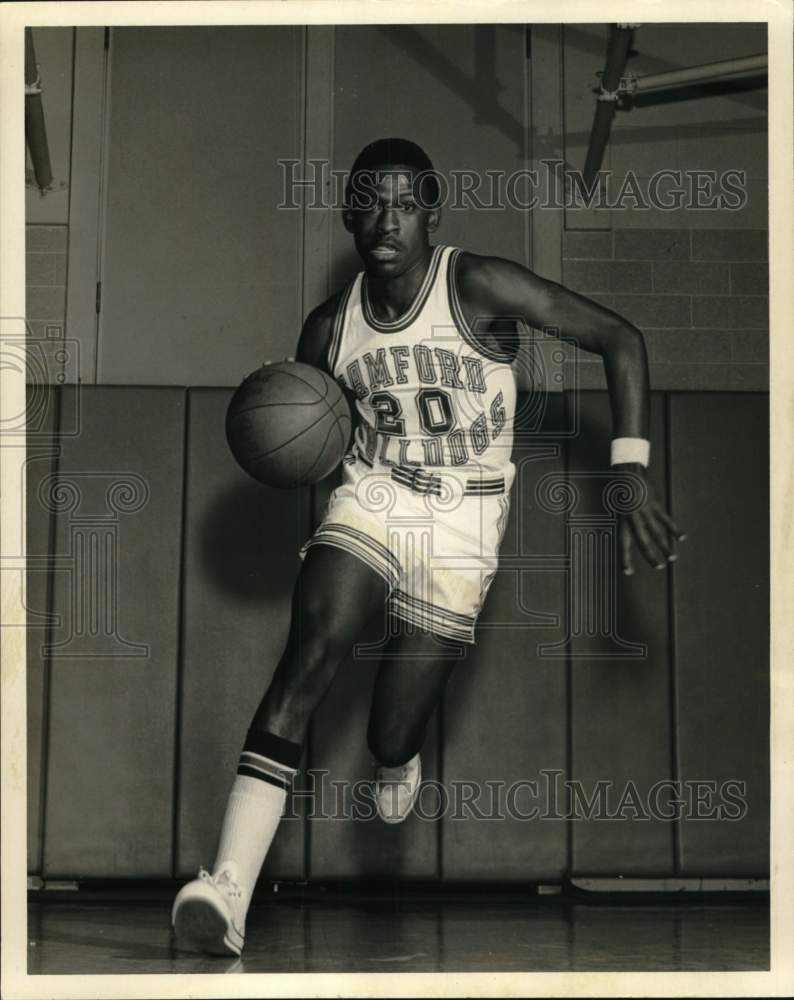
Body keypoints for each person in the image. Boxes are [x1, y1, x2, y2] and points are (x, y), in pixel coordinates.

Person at [172, 137, 684, 956]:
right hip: (375, 500)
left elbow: (619, 337)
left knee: (389, 735)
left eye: (405, 202)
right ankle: (227, 887)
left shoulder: (475, 285)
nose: (387, 218)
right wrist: (294, 444)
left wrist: (628, 472)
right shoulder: (327, 330)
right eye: (370, 200)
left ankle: (396, 759)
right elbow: (310, 439)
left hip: (465, 524)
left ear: (432, 214)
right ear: (347, 214)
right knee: (309, 652)